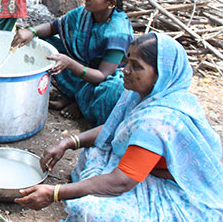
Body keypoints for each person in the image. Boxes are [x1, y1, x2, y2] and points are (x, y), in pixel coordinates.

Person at [16, 33, 223, 221]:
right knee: (92, 153)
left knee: (89, 211)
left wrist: (55, 193)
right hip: (141, 169)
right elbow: (116, 128)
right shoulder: (146, 94)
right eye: (128, 61)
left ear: (161, 74)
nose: (126, 70)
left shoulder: (158, 121)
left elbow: (121, 182)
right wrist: (69, 142)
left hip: (175, 189)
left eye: (137, 66)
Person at [11, 0, 133, 125]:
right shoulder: (84, 13)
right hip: (79, 68)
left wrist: (70, 64)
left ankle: (80, 102)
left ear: (111, 3)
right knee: (40, 43)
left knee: (112, 90)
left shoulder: (118, 32)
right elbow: (53, 27)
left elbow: (102, 75)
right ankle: (74, 96)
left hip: (101, 78)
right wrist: (31, 31)